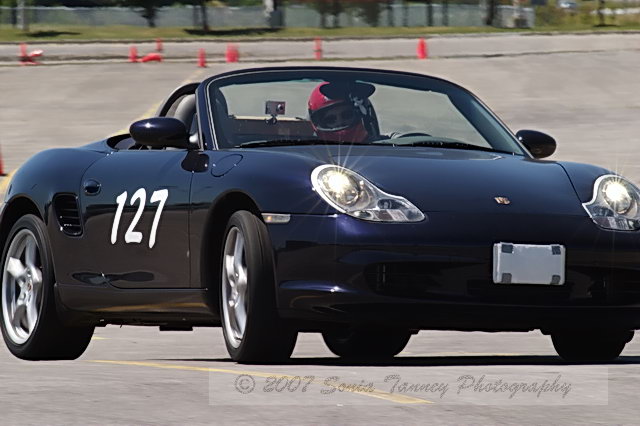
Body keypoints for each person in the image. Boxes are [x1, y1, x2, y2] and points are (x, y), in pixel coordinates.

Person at [308, 82, 380, 143]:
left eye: (347, 115)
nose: (340, 122)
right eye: (330, 120)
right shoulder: (308, 151)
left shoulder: (383, 149)